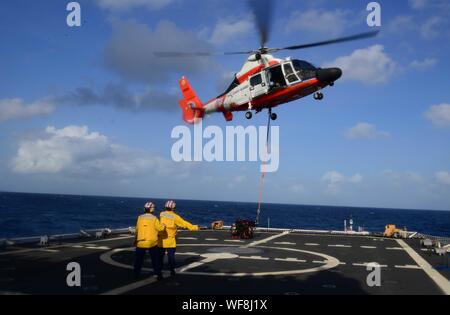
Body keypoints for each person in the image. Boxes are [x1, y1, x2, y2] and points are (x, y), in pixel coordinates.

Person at [158, 200, 199, 276]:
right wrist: (194, 227)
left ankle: (159, 273)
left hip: (161, 240)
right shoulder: (175, 217)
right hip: (170, 240)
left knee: (160, 257)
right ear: (173, 208)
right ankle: (172, 271)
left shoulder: (161, 214)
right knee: (171, 257)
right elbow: (184, 223)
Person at [134, 202, 165, 280]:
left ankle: (136, 275)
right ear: (152, 209)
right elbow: (160, 228)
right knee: (155, 261)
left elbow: (137, 230)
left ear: (144, 209)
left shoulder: (140, 217)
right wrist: (164, 225)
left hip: (140, 242)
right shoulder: (154, 218)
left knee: (138, 261)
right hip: (152, 243)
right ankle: (159, 275)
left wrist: (135, 240)